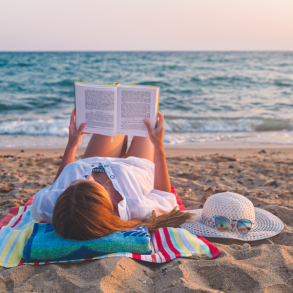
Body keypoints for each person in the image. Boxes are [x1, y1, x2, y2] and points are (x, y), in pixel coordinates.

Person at [31, 109, 192, 240]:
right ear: (106, 201)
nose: (89, 176)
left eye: (74, 182)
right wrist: (158, 145)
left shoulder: (48, 205)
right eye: (91, 182)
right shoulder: (135, 208)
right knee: (147, 119)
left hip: (93, 159)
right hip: (137, 166)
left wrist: (72, 145)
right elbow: (165, 196)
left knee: (111, 114)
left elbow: (57, 184)